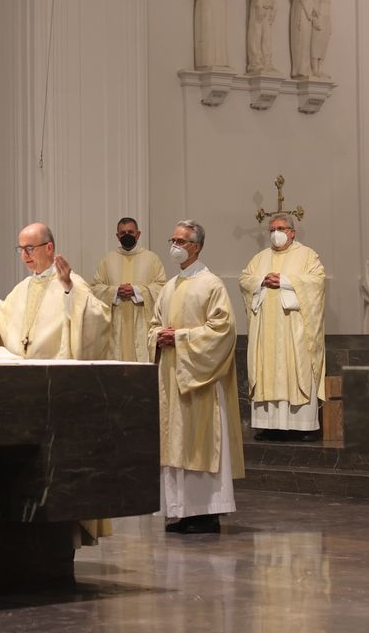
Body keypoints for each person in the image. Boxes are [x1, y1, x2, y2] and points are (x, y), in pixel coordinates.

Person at [149, 219, 244, 534]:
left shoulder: (211, 284)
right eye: (172, 239)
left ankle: (206, 513)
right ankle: (180, 511)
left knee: (199, 442)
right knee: (174, 441)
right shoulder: (169, 286)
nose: (174, 245)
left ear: (197, 246)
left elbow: (223, 330)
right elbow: (153, 325)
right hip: (171, 378)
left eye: (181, 240)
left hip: (198, 380)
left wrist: (180, 338)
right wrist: (158, 337)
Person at [0, 222, 112, 359]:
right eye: (21, 249)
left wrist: (69, 290)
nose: (24, 255)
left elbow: (97, 318)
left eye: (29, 248)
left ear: (49, 248)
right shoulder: (22, 288)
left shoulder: (72, 283)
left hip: (55, 378)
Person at [239, 213, 326, 441]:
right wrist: (261, 281)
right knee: (267, 369)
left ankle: (303, 427)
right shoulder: (259, 259)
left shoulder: (307, 255)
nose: (276, 233)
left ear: (292, 232)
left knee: (296, 369)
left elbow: (317, 282)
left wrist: (286, 281)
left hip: (294, 329)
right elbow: (245, 279)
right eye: (272, 229)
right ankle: (270, 426)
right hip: (266, 329)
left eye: (281, 228)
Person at [89, 217, 167, 362]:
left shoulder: (152, 259)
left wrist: (137, 291)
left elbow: (162, 288)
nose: (127, 235)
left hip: (142, 326)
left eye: (130, 232)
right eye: (123, 232)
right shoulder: (107, 260)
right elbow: (95, 289)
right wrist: (115, 291)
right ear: (117, 236)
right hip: (115, 328)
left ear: (138, 234)